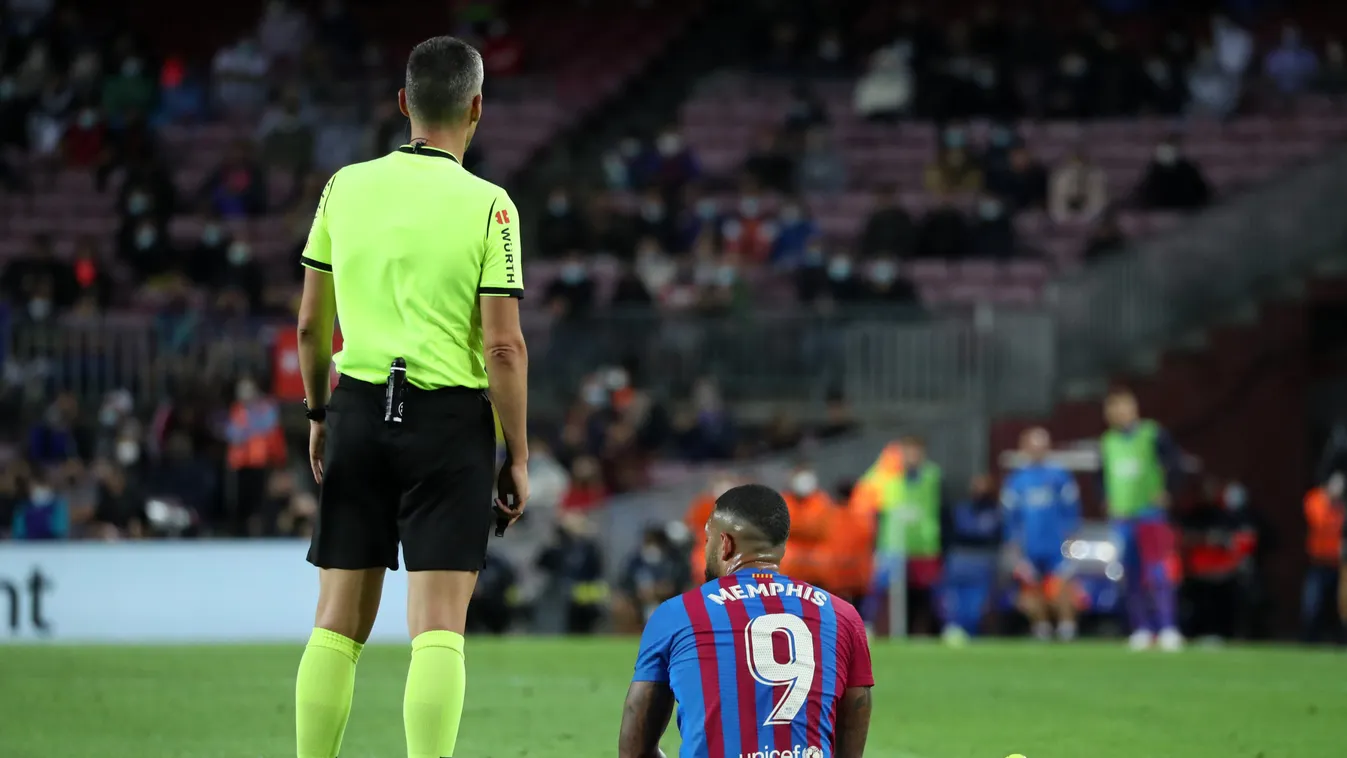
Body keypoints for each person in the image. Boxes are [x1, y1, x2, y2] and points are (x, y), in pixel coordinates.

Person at [293, 37, 529, 758]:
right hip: (448, 421)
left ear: (404, 103)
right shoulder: (491, 207)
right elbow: (503, 348)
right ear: (477, 108)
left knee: (336, 623)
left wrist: (318, 413)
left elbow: (310, 326)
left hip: (359, 407)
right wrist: (518, 454)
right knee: (437, 627)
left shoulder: (343, 187)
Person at [618, 484, 874, 758]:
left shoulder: (676, 614)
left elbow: (634, 748)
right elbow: (852, 743)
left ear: (725, 544)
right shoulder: (842, 615)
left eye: (708, 539)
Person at [1101, 388, 1184, 651]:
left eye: (1124, 407)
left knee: (1158, 573)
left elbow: (1175, 463)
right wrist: (1105, 499)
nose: (1119, 413)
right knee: (1131, 575)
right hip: (1122, 518)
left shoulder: (1152, 434)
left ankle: (1167, 627)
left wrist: (1168, 491)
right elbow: (1100, 476)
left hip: (1150, 515)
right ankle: (1141, 629)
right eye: (1114, 409)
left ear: (1134, 409)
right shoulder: (1108, 442)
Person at [1001, 427, 1082, 642]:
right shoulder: (1017, 480)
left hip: (1056, 544)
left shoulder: (1059, 476)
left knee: (1062, 585)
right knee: (1031, 587)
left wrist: (1071, 541)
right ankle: (1041, 627)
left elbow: (1071, 511)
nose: (1037, 450)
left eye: (1041, 446)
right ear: (1024, 448)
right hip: (1030, 545)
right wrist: (1013, 545)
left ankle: (1067, 627)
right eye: (1033, 446)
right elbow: (1010, 517)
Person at [939, 473, 1003, 644]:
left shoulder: (996, 512)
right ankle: (953, 628)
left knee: (976, 605)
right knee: (954, 600)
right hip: (959, 560)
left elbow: (993, 536)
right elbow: (953, 533)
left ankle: (971, 631)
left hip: (982, 561)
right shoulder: (961, 510)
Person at [1301, 472, 1345, 643]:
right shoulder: (1316, 500)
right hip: (1317, 563)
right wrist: (1332, 505)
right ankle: (1309, 640)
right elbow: (1318, 521)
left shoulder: (1342, 507)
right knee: (1312, 604)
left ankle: (1339, 641)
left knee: (1340, 607)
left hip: (1337, 565)